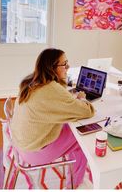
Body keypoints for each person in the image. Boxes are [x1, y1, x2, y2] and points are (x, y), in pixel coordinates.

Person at [10, 48, 95, 189]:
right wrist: (82, 100)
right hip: (34, 153)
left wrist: (71, 101)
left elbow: (52, 104)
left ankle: (74, 174)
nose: (68, 67)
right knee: (82, 136)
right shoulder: (51, 89)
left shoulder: (32, 81)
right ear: (52, 68)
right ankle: (75, 185)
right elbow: (88, 111)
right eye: (64, 64)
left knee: (71, 127)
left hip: (21, 144)